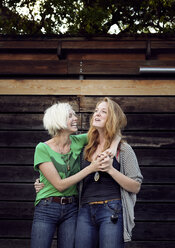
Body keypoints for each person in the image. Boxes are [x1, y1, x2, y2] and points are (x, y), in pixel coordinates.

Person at [31, 101, 120, 248]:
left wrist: (115, 145)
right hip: (47, 207)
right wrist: (91, 168)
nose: (75, 118)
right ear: (58, 120)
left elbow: (111, 132)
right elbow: (59, 185)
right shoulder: (42, 148)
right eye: (70, 116)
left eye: (74, 115)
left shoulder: (79, 141)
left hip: (72, 208)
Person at [75, 97, 143, 248]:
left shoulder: (123, 150)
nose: (97, 114)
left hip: (111, 210)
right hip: (85, 211)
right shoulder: (86, 148)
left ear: (112, 118)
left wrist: (111, 170)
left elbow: (136, 186)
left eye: (103, 111)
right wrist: (42, 181)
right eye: (96, 111)